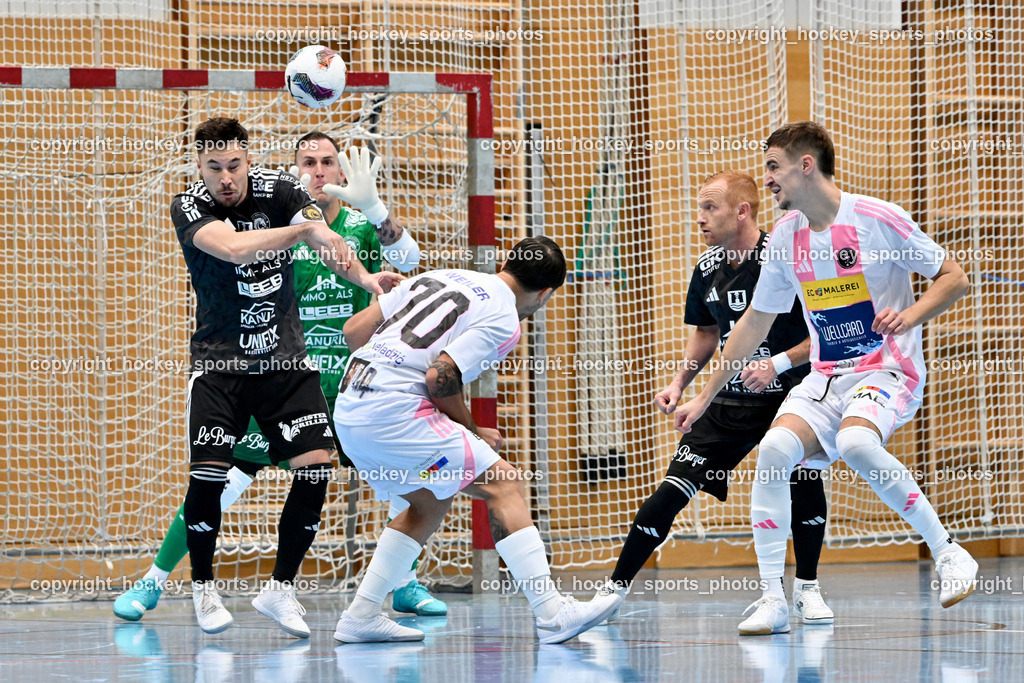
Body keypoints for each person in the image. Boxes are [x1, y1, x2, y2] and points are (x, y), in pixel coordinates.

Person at [114, 131, 447, 626]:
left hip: (351, 383)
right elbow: (234, 249)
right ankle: (156, 579)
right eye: (307, 162)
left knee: (398, 481)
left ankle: (403, 582)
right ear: (292, 172)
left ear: (340, 172)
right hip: (272, 370)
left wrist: (378, 211)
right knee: (218, 482)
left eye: (327, 162)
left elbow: (410, 263)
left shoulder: (355, 231)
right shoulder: (279, 220)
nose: (317, 170)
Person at [674, 121, 978, 636]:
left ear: (805, 165)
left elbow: (954, 277)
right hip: (825, 377)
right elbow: (752, 325)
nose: (766, 178)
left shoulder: (879, 218)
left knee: (856, 441)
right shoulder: (787, 238)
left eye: (773, 166)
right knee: (773, 453)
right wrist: (703, 397)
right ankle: (773, 598)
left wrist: (911, 315)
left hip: (886, 370)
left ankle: (949, 552)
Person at [168, 117, 404, 636]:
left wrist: (367, 279)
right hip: (221, 365)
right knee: (209, 477)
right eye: (214, 168)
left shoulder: (280, 190)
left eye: (234, 166)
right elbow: (231, 248)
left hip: (285, 362)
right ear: (199, 167)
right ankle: (203, 588)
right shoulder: (190, 205)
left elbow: (323, 238)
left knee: (317, 465)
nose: (225, 178)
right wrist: (301, 228)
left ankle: (280, 588)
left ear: (248, 161)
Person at [330, 237, 621, 644]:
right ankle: (552, 613)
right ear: (545, 294)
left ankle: (361, 615)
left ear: (506, 262)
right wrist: (469, 428)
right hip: (394, 413)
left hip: (350, 406)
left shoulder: (437, 276)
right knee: (505, 484)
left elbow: (352, 331)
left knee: (428, 501)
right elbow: (440, 378)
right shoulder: (505, 319)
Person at [596, 171, 832, 626]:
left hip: (793, 395)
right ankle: (612, 592)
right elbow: (707, 331)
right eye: (699, 208)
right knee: (671, 490)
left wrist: (778, 362)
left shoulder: (786, 258)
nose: (699, 218)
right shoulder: (707, 268)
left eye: (710, 208)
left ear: (742, 211)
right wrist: (680, 383)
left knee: (802, 480)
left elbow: (823, 331)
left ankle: (806, 589)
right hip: (730, 399)